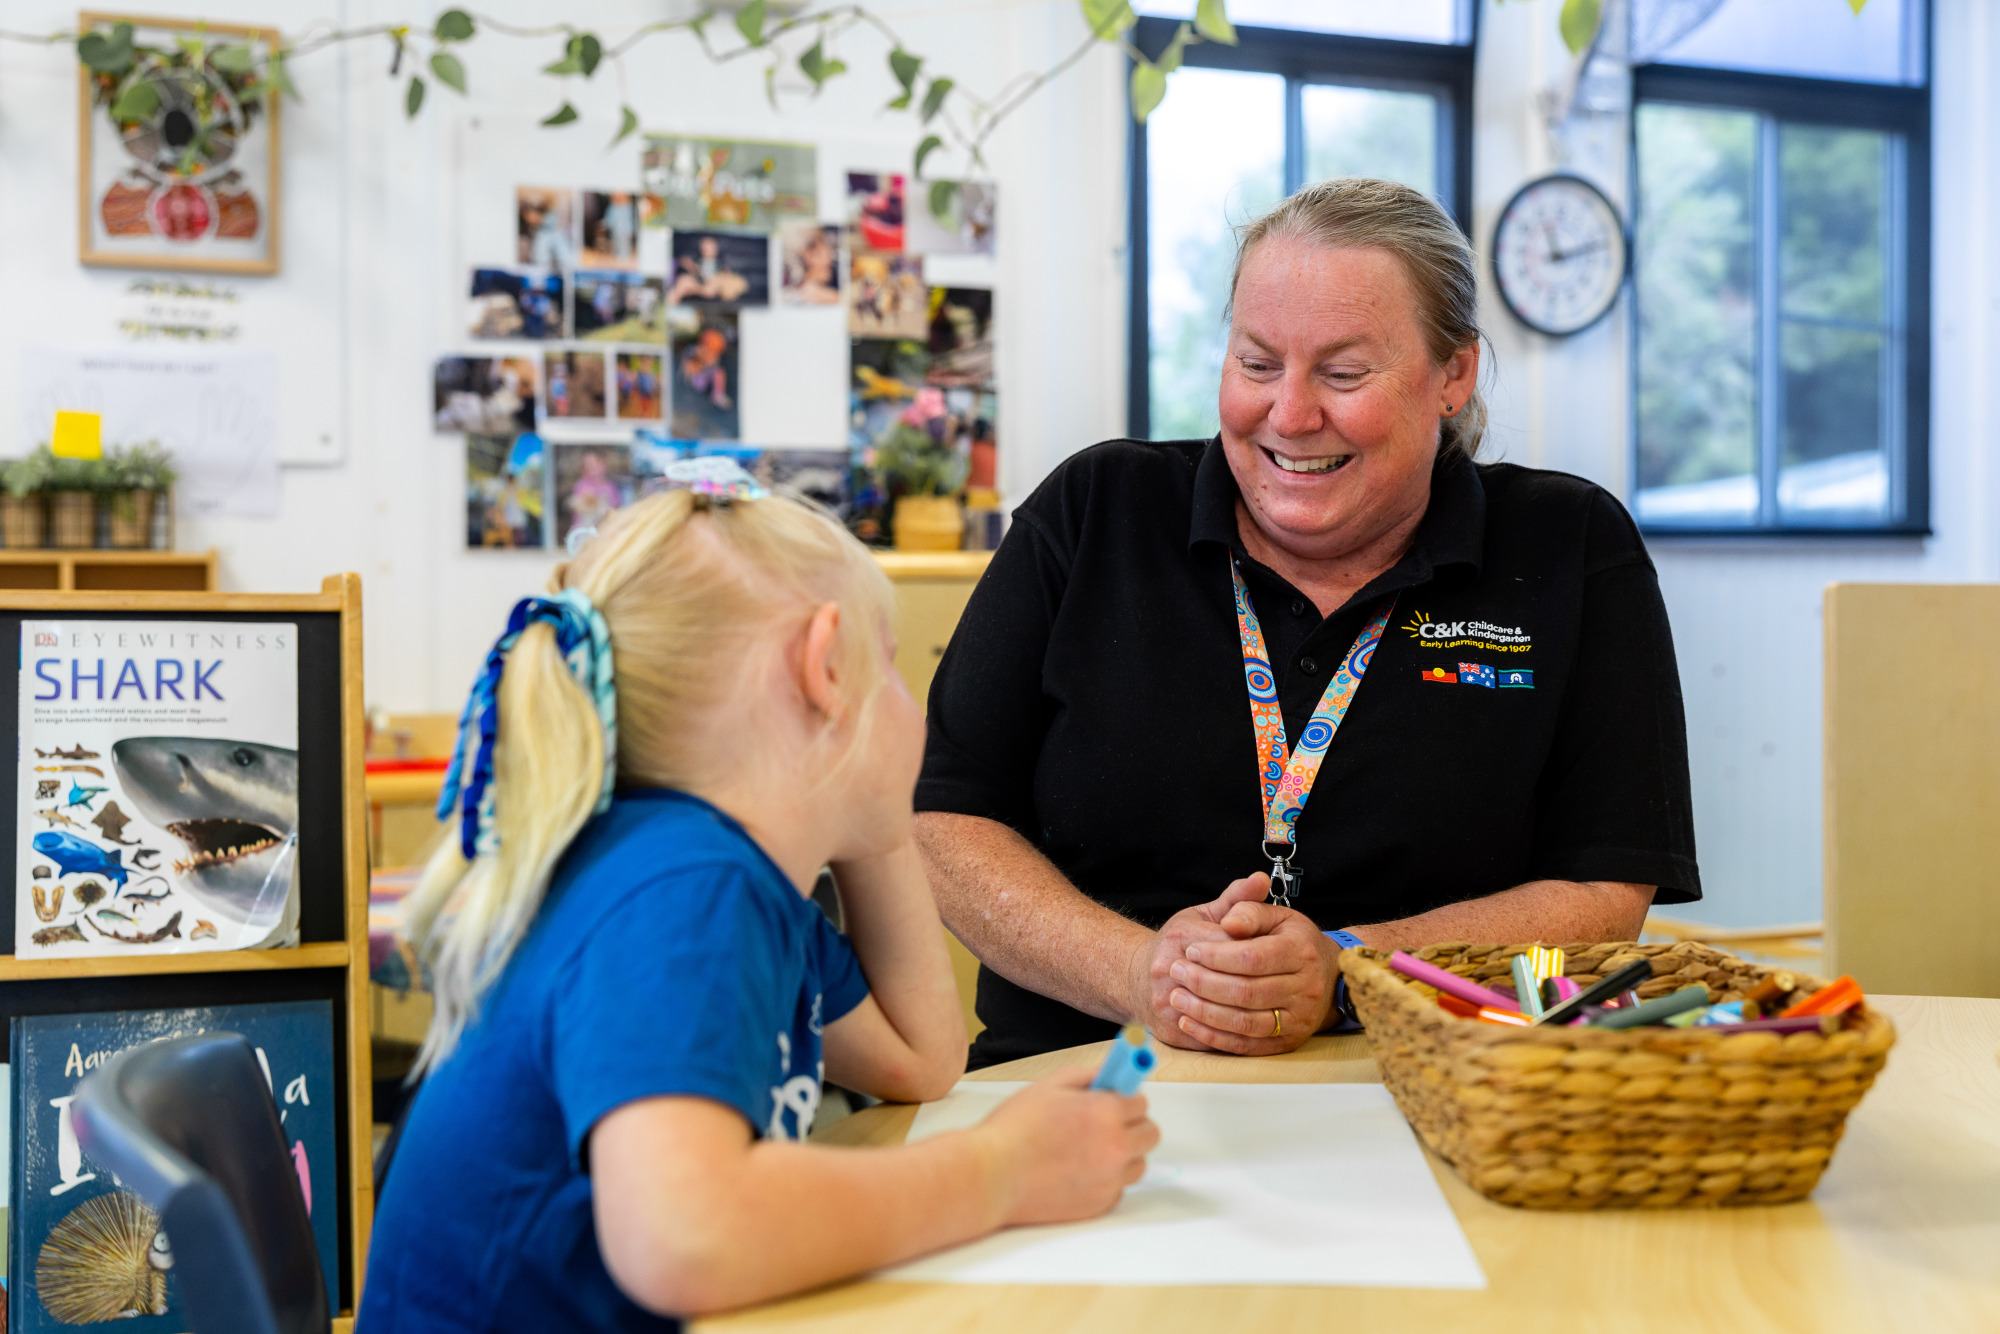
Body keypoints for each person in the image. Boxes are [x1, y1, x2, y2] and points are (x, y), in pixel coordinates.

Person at [916, 178, 1701, 1069]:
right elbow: (941, 818)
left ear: (1453, 373)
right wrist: (1147, 974)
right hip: (1078, 1085)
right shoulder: (1096, 512)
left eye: (1343, 372)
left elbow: (1605, 893)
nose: (1289, 416)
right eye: (1256, 364)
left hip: (1439, 1096)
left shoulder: (1570, 547)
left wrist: (1351, 965)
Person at [360, 477, 1158, 1331]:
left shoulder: (718, 881)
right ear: (822, 667)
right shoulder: (685, 891)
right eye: (888, 665)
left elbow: (920, 1060)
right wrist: (1001, 1171)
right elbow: (684, 1236)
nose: (910, 706)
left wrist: (871, 802)